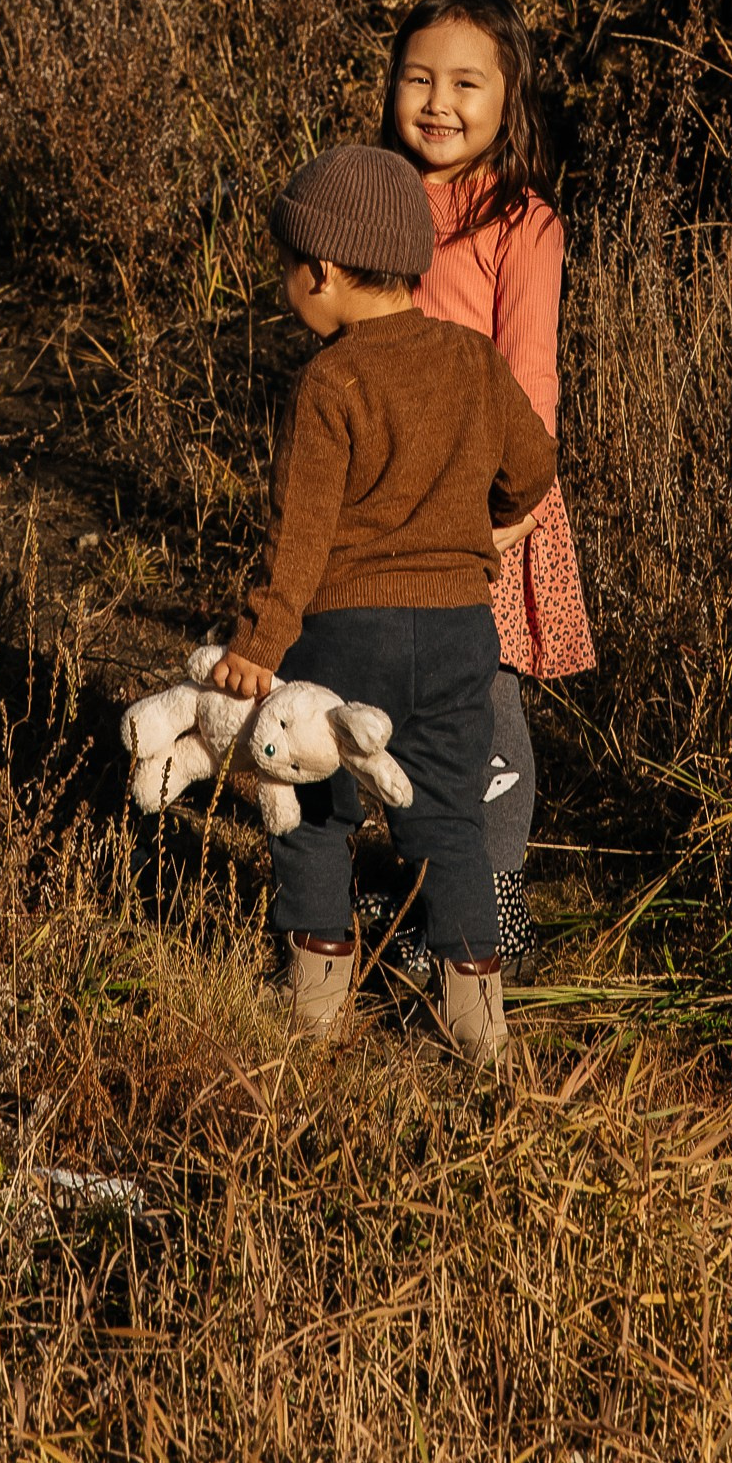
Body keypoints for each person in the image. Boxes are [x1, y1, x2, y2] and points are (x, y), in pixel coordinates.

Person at [205, 140, 557, 1064]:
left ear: (321, 272)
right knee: (447, 818)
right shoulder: (474, 362)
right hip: (455, 632)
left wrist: (259, 642)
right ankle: (478, 1028)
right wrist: (493, 523)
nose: (287, 285)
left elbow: (300, 533)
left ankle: (315, 1006)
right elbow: (535, 466)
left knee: (313, 805)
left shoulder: (331, 379)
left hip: (346, 632)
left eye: (288, 268)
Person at [379, 0, 594, 967]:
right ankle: (405, 896)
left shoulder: (521, 221)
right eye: (417, 76)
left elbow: (529, 375)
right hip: (379, 498)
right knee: (382, 704)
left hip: (484, 504)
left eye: (466, 81)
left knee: (482, 710)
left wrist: (502, 515)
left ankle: (489, 915)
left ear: (509, 98)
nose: (438, 100)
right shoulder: (371, 199)